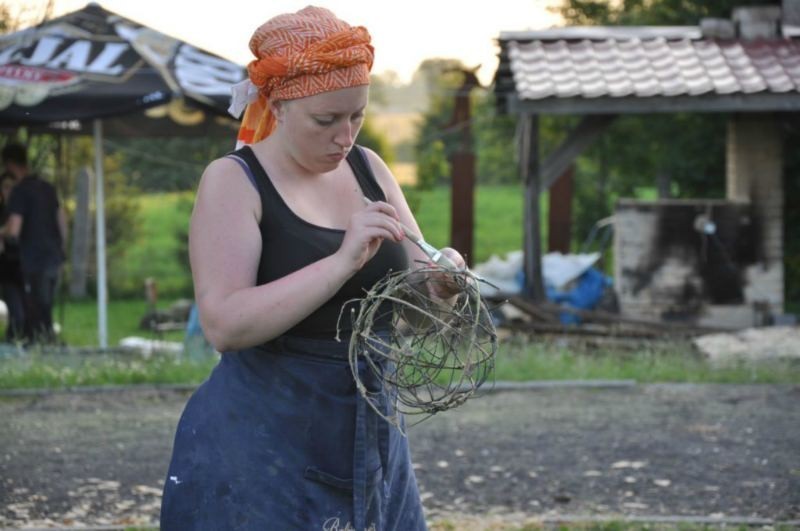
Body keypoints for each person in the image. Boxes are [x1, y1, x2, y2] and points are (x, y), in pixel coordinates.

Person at [160, 6, 465, 530]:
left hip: (371, 435)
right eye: (326, 120)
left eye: (357, 115)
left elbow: (419, 299)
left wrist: (444, 282)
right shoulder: (234, 181)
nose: (344, 136)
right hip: (260, 446)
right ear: (278, 105)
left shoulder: (369, 168)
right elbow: (224, 324)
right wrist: (342, 261)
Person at [1, 142, 67, 344]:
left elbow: (14, 229)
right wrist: (61, 249)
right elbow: (62, 222)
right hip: (53, 257)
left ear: (10, 164)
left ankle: (41, 349)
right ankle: (48, 344)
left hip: (33, 258)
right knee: (46, 307)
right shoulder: (47, 188)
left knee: (36, 309)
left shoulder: (20, 191)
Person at [0, 172, 25, 342]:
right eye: (6, 187)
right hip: (5, 269)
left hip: (22, 267)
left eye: (13, 187)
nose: (10, 191)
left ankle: (14, 340)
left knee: (21, 312)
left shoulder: (23, 210)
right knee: (16, 312)